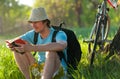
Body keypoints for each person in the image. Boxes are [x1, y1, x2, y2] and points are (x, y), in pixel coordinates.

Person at [6, 7, 67, 79]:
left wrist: (32, 48)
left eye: (36, 22)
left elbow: (62, 45)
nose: (33, 25)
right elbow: (15, 40)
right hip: (39, 69)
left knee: (51, 52)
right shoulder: (34, 34)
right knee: (18, 50)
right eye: (32, 22)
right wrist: (11, 45)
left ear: (45, 22)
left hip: (57, 71)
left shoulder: (59, 34)